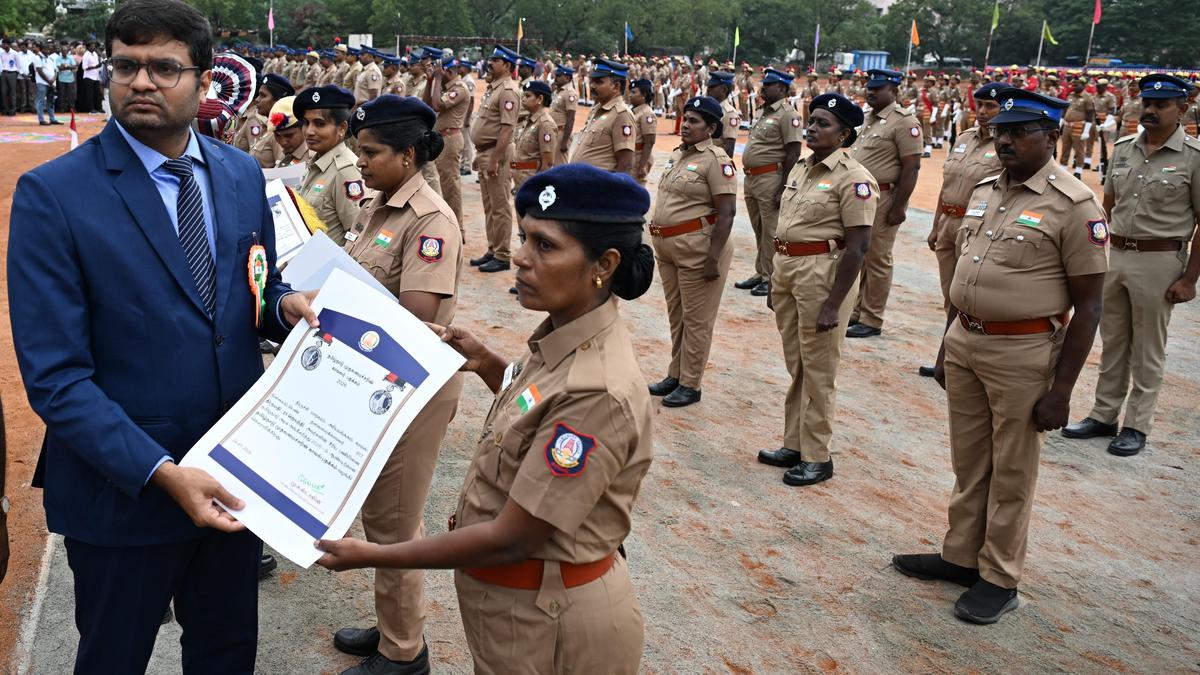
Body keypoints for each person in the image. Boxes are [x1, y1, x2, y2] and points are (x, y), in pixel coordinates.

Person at [8, 1, 318, 669]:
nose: (140, 81)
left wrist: (283, 306)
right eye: (125, 64)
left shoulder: (238, 174)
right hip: (123, 492)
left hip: (236, 478)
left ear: (204, 80)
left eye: (163, 67)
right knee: (114, 656)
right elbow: (57, 378)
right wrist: (163, 472)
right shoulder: (54, 195)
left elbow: (243, 299)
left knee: (226, 652)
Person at [316, 163, 654, 674]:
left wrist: (373, 555)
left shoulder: (595, 388)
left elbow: (513, 537)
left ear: (602, 264)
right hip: (517, 610)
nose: (519, 258)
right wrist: (488, 365)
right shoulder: (565, 336)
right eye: (523, 239)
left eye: (544, 246)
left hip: (550, 624)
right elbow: (532, 418)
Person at [893, 88, 1107, 625]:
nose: (1005, 140)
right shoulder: (989, 189)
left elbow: (1090, 305)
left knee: (1011, 468)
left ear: (1052, 135)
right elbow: (966, 277)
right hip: (966, 339)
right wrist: (946, 345)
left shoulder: (1074, 204)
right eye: (1001, 131)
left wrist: (1062, 391)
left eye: (1020, 132)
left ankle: (999, 576)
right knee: (969, 459)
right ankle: (961, 556)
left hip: (1024, 350)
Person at [329, 95, 465, 675]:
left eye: (371, 153)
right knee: (383, 516)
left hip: (414, 387)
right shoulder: (383, 208)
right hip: (378, 377)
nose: (361, 163)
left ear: (407, 155)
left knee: (396, 523)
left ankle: (405, 654)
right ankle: (393, 628)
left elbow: (413, 318)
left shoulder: (430, 220)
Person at [1062, 74, 1200, 457]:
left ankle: (1137, 425)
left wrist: (1190, 279)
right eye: (1147, 104)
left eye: (1161, 105)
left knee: (1148, 350)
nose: (1150, 110)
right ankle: (1103, 415)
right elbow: (1105, 209)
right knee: (1113, 342)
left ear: (1182, 109)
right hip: (1116, 255)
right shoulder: (1123, 149)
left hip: (1160, 260)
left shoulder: (1193, 157)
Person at [756, 92, 876, 486]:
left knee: (820, 369)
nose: (812, 128)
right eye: (812, 121)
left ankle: (817, 456)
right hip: (790, 272)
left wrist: (834, 304)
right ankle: (795, 443)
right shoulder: (802, 169)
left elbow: (858, 246)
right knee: (798, 365)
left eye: (823, 123)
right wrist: (775, 279)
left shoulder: (854, 179)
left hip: (823, 277)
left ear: (843, 134)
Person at [646, 96, 736, 408]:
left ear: (711, 128)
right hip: (670, 248)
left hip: (699, 250)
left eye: (695, 121)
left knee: (697, 319)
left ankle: (690, 383)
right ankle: (676, 373)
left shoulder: (716, 160)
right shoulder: (678, 155)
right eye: (686, 119)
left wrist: (713, 257)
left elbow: (727, 213)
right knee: (678, 315)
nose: (686, 125)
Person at [918, 83, 1006, 377]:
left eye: (990, 107)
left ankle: (959, 362)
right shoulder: (965, 138)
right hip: (949, 224)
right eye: (979, 105)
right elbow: (948, 183)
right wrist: (935, 225)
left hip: (978, 229)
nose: (982, 111)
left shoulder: (1007, 143)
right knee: (951, 296)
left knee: (971, 299)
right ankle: (950, 357)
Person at [845, 68, 922, 339]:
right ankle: (856, 311)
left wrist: (899, 206)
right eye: (869, 87)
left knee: (877, 259)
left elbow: (911, 167)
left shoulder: (904, 122)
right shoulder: (868, 118)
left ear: (894, 91)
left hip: (883, 197)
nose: (871, 91)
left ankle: (872, 318)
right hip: (860, 198)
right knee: (859, 256)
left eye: (878, 88)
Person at [736, 67, 803, 297]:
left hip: (770, 178)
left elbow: (793, 153)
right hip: (752, 177)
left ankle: (771, 277)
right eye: (763, 83)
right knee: (759, 228)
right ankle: (761, 271)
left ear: (783, 89)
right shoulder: (763, 111)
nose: (763, 87)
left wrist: (784, 186)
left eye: (769, 85)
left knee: (771, 230)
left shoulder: (789, 115)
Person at [469, 45, 521, 274]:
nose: (490, 63)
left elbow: (507, 130)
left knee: (500, 206)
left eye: (495, 61)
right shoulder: (494, 88)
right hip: (486, 152)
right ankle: (493, 249)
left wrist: (494, 159)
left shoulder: (508, 91)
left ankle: (502, 255)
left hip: (496, 153)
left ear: (507, 65)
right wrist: (479, 154)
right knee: (489, 205)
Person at [295, 85, 365, 245]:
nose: (309, 131)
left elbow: (356, 236)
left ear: (341, 128)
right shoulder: (316, 163)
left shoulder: (346, 172)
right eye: (306, 123)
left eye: (319, 124)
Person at [569, 58, 636, 175]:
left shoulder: (621, 114)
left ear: (616, 86)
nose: (592, 86)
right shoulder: (597, 109)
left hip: (600, 187)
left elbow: (625, 163)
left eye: (599, 82)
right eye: (592, 81)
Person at [426, 54, 471, 230]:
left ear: (448, 71)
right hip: (442, 139)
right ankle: (447, 225)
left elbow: (437, 105)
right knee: (443, 184)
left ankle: (457, 229)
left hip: (450, 139)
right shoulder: (446, 86)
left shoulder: (459, 88)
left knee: (450, 187)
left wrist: (437, 79)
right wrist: (431, 81)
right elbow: (428, 104)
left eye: (440, 71)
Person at [236, 73, 293, 167]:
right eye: (259, 95)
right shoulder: (265, 125)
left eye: (263, 96)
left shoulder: (280, 133)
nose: (257, 99)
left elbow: (281, 171)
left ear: (277, 101)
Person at [510, 80, 558, 190]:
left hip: (531, 180)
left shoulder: (545, 124)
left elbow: (547, 162)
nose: (523, 99)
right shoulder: (530, 120)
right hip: (521, 177)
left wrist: (538, 185)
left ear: (540, 99)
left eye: (528, 96)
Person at [1061, 78, 1095, 179]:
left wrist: (1086, 131)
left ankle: (1078, 171)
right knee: (1065, 147)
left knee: (1079, 149)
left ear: (1083, 85)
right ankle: (1063, 168)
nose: (1074, 87)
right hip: (1067, 125)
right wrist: (1060, 123)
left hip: (1079, 126)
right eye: (1073, 85)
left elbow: (1090, 115)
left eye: (1077, 85)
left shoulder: (1088, 97)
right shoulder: (1070, 95)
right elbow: (1065, 110)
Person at [267, 95, 312, 166]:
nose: (283, 142)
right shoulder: (285, 154)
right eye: (277, 135)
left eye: (289, 135)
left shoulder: (312, 159)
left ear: (304, 128)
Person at [628, 78, 657, 185]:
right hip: (631, 154)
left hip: (639, 156)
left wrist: (642, 166)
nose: (630, 95)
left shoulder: (647, 114)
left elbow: (649, 142)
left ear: (644, 94)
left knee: (635, 187)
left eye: (634, 92)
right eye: (630, 92)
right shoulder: (634, 111)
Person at [704, 71, 740, 158]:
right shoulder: (706, 108)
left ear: (724, 89)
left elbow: (729, 146)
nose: (708, 89)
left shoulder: (730, 114)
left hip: (715, 160)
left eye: (712, 87)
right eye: (708, 86)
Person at [549, 64, 579, 166]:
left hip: (561, 132)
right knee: (550, 161)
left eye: (558, 76)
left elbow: (571, 118)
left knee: (560, 164)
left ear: (567, 77)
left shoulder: (570, 93)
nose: (555, 78)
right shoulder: (559, 90)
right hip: (553, 131)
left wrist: (564, 141)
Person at [32, 42, 62, 126]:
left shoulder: (50, 58)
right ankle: (41, 120)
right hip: (42, 82)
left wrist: (53, 79)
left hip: (51, 83)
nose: (47, 50)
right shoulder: (38, 57)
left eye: (48, 49)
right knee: (40, 101)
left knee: (51, 101)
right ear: (41, 49)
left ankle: (52, 119)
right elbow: (39, 71)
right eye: (45, 49)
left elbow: (56, 70)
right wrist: (49, 81)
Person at [55, 43, 77, 113]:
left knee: (71, 95)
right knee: (62, 95)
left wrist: (65, 66)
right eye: (63, 50)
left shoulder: (70, 57)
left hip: (70, 79)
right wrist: (68, 67)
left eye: (65, 50)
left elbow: (74, 66)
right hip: (61, 79)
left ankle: (71, 108)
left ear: (67, 51)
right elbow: (59, 68)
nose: (64, 52)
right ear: (61, 51)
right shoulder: (58, 58)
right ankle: (62, 108)